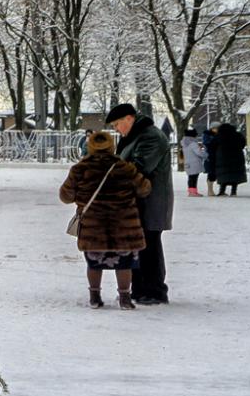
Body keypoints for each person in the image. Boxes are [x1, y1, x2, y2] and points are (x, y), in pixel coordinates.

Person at [59, 130, 152, 310]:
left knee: (94, 263)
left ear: (90, 146)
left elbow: (65, 196)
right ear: (112, 146)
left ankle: (95, 297)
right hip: (123, 226)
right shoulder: (125, 168)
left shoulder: (80, 169)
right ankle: (125, 298)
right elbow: (144, 189)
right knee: (124, 263)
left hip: (93, 228)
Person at [107, 103, 172, 306]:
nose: (117, 129)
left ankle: (154, 290)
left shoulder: (150, 137)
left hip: (150, 202)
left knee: (149, 245)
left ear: (129, 118)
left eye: (118, 124)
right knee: (139, 245)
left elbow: (138, 168)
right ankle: (140, 289)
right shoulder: (135, 137)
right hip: (138, 202)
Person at [208, 121, 248, 197]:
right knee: (235, 175)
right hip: (237, 158)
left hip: (222, 158)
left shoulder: (219, 136)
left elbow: (212, 146)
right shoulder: (238, 135)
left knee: (223, 174)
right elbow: (243, 144)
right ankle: (233, 192)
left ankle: (222, 191)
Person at [180, 128, 206, 196]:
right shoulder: (193, 143)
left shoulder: (184, 144)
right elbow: (199, 153)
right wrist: (205, 154)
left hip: (188, 163)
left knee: (191, 178)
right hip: (194, 163)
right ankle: (193, 192)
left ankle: (192, 191)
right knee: (194, 178)